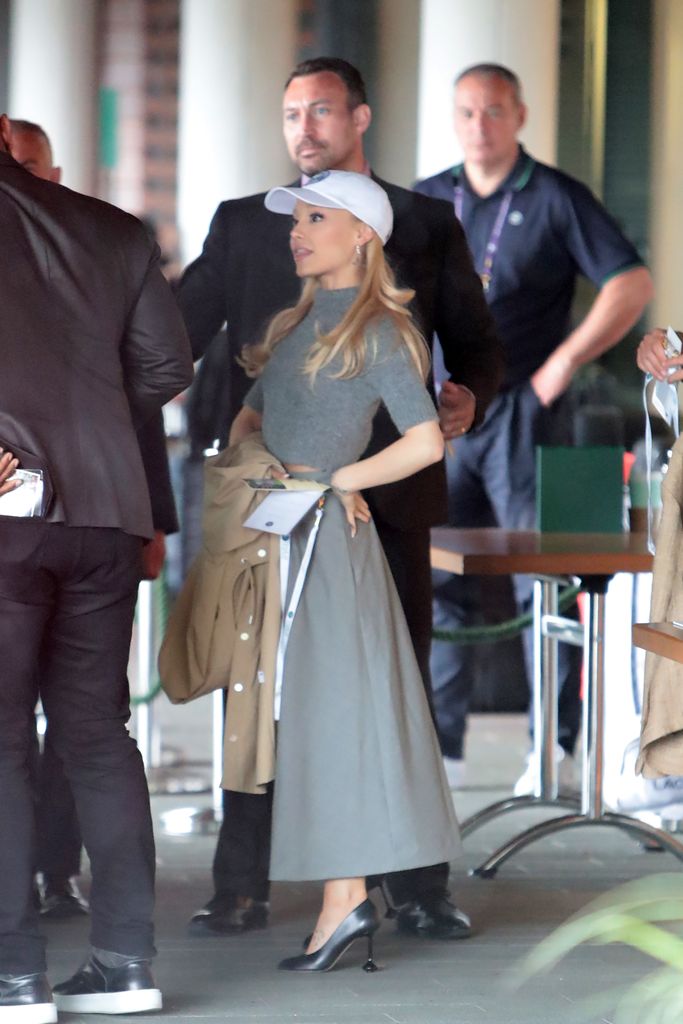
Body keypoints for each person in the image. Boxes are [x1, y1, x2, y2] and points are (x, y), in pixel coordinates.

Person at [178, 56, 502, 943]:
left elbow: (474, 344)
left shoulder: (425, 222)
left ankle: (416, 885)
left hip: (382, 510)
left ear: (359, 117)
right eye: (290, 114)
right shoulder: (247, 224)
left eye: (320, 110)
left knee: (388, 693)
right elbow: (174, 332)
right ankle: (240, 883)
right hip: (270, 507)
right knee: (260, 686)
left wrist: (468, 395)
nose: (303, 127)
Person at [228, 168, 460, 971]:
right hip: (278, 533)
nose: (297, 230)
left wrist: (337, 481)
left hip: (325, 540)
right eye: (296, 217)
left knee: (336, 724)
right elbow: (252, 415)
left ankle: (344, 901)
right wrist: (270, 467)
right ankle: (346, 900)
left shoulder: (382, 331)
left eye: (315, 217)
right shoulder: (299, 323)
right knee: (309, 725)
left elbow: (426, 440)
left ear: (362, 233)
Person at [0, 113, 192, 1022]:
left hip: (9, 519)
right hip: (110, 512)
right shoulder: (114, 228)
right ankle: (125, 965)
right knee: (98, 736)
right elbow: (166, 364)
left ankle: (16, 977)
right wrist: (93, 424)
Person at [415, 63, 654, 793]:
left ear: (518, 115)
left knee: (538, 582)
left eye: (492, 112)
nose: (478, 126)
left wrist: (562, 363)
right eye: (465, 113)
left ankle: (549, 746)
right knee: (433, 575)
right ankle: (440, 749)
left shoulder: (554, 196)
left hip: (520, 409)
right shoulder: (428, 197)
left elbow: (631, 283)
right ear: (451, 120)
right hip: (440, 412)